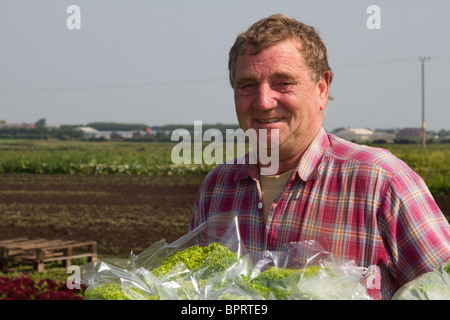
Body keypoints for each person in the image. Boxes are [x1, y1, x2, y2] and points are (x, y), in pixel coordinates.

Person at [189, 14, 450, 299]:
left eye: (283, 82)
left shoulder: (381, 181)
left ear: (322, 88)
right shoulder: (216, 188)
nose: (263, 101)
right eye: (247, 85)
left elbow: (442, 284)